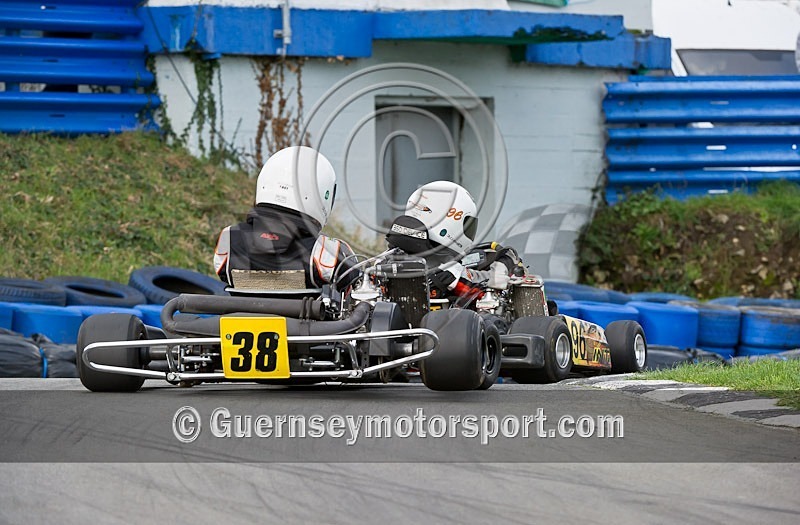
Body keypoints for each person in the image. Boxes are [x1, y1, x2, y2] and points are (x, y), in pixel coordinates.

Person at [213, 146, 358, 292]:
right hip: (305, 314)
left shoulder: (229, 241)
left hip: (242, 314)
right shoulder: (326, 253)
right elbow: (356, 279)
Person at [387, 180, 525, 303]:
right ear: (452, 218)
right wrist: (504, 264)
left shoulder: (380, 263)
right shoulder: (448, 270)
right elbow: (484, 288)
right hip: (442, 328)